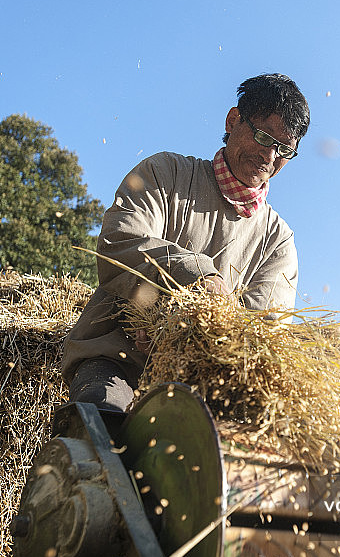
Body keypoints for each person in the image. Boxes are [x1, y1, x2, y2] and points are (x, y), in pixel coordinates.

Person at [62, 74, 310, 411]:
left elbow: (265, 329)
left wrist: (189, 340)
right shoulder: (166, 173)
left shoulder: (277, 240)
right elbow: (120, 242)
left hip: (204, 391)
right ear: (234, 120)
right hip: (118, 361)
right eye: (263, 137)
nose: (269, 156)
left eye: (284, 149)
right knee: (99, 430)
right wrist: (198, 278)